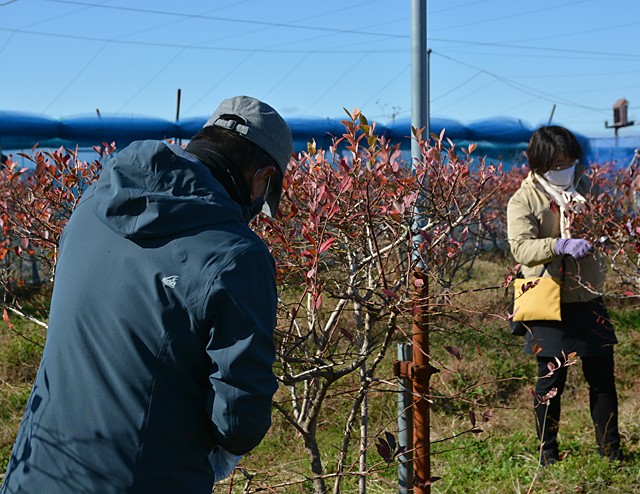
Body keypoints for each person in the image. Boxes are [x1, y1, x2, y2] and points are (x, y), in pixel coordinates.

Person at [0, 95, 293, 493]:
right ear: (263, 178)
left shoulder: (92, 203)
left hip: (36, 469)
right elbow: (239, 420)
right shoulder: (236, 253)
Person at [507, 126, 623, 466]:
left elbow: (608, 223)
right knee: (550, 381)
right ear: (541, 163)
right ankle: (547, 454)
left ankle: (611, 451)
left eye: (570, 161)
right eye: (558, 163)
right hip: (544, 297)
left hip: (587, 296)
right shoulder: (524, 199)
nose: (565, 168)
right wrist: (558, 244)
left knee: (602, 377)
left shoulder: (586, 189)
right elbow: (521, 247)